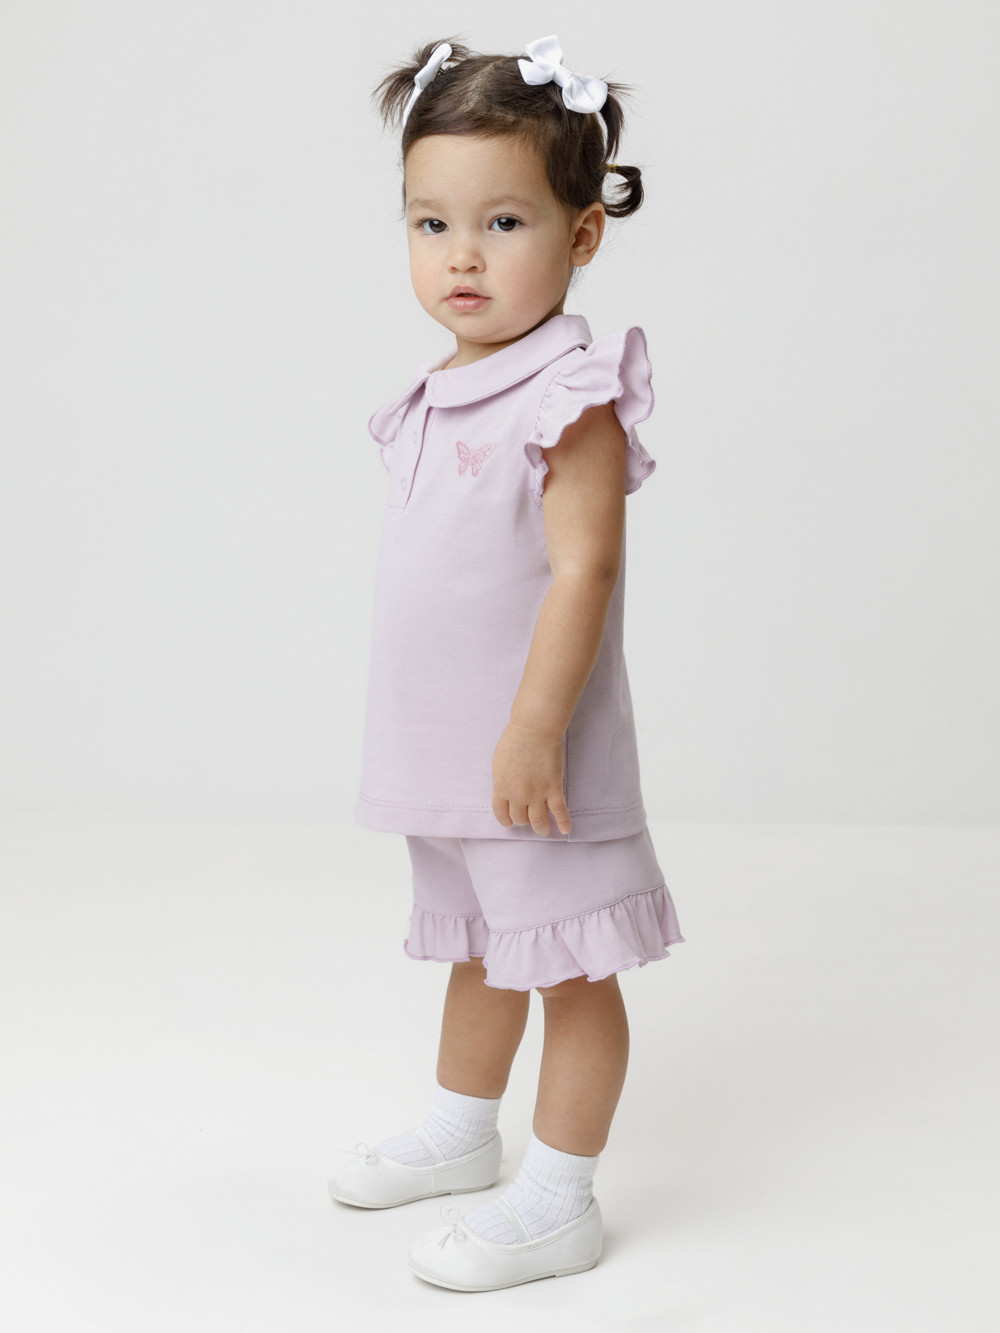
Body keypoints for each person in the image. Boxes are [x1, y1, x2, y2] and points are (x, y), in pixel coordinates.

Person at [327, 34, 685, 1292]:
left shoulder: (567, 396)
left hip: (536, 760)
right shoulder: (440, 388)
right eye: (431, 222)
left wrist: (535, 729)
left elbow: (583, 571)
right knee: (479, 947)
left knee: (572, 968)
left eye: (503, 221)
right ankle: (462, 1127)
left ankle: (560, 1195)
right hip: (450, 756)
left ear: (582, 235)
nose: (461, 256)